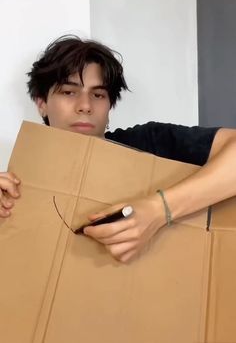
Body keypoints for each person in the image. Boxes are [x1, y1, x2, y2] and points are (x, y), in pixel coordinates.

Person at [3, 35, 236, 262]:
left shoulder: (150, 144)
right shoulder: (19, 186)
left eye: (98, 94)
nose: (85, 106)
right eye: (68, 92)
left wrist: (158, 210)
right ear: (41, 103)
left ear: (109, 105)